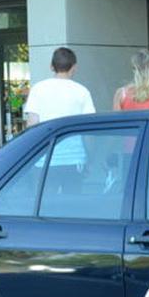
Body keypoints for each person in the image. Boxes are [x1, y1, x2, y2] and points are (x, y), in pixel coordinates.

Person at [24, 47, 96, 194]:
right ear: (74, 67)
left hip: (44, 159)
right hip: (75, 158)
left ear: (51, 66)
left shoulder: (38, 89)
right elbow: (89, 131)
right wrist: (90, 156)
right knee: (72, 205)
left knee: (45, 205)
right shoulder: (82, 91)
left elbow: (32, 125)